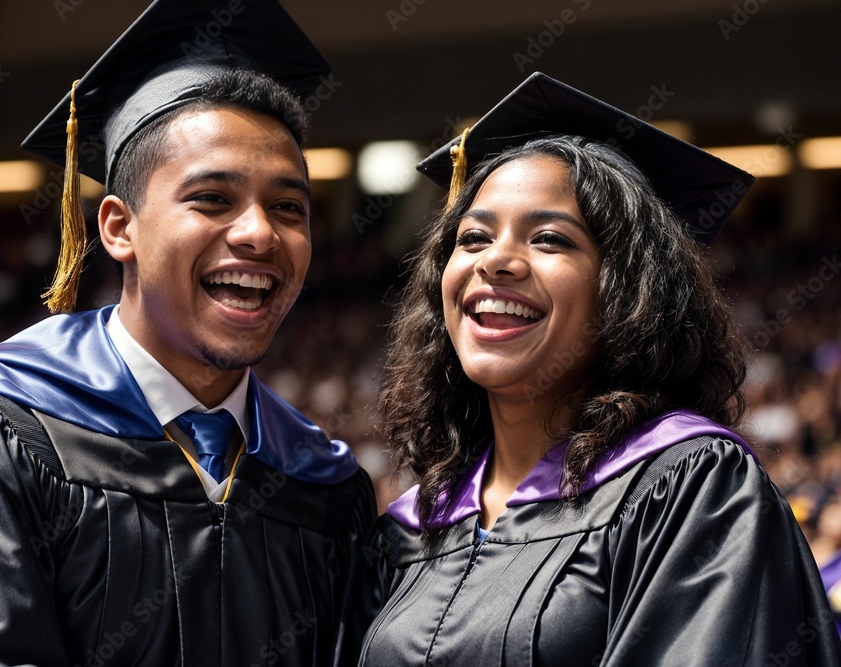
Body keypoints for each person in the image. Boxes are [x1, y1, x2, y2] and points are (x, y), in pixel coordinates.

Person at [0, 1, 375, 664]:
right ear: (119, 227)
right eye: (213, 198)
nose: (261, 232)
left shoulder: (321, 482)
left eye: (289, 207)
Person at [337, 72, 841, 666]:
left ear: (625, 291)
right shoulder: (407, 531)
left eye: (549, 239)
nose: (496, 260)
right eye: (472, 237)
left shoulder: (688, 493)